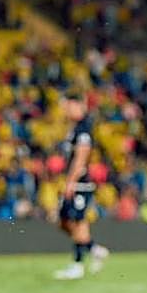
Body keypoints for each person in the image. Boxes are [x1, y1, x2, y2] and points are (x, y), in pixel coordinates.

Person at [53, 92, 109, 280]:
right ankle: (93, 249)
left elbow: (81, 157)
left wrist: (71, 182)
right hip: (74, 182)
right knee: (64, 221)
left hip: (81, 184)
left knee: (77, 223)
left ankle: (77, 265)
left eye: (71, 106)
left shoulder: (84, 129)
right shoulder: (74, 128)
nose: (68, 110)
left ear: (81, 106)